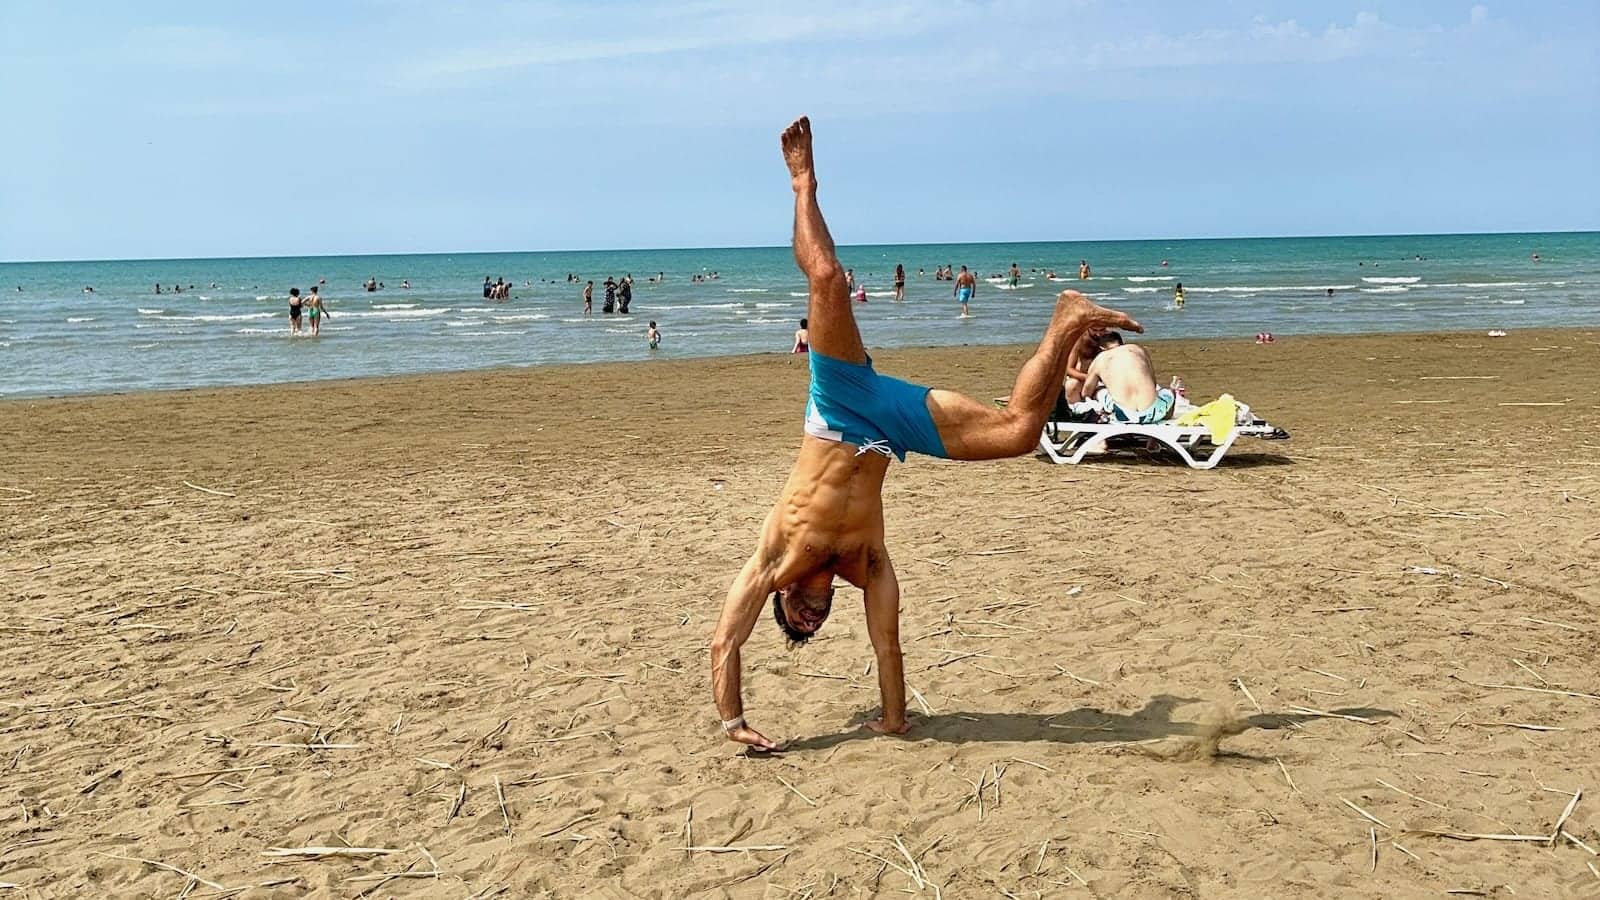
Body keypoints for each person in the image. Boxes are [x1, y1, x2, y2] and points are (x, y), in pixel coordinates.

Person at [709, 116, 1139, 749]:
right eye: (814, 626)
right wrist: (893, 720)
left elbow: (725, 640)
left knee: (827, 279)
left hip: (842, 404)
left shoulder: (776, 557)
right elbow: (888, 645)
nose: (811, 619)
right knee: (1020, 433)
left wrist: (731, 722)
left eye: (796, 618)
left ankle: (803, 182)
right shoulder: (868, 564)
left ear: (784, 596)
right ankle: (1067, 320)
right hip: (891, 430)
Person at [1081, 331, 1173, 424]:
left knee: (1098, 391)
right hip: (1154, 413)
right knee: (1168, 393)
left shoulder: (1100, 359)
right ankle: (1166, 418)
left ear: (1101, 348)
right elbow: (1153, 383)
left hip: (1124, 415)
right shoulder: (1137, 349)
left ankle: (1103, 413)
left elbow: (1086, 393)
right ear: (1122, 343)